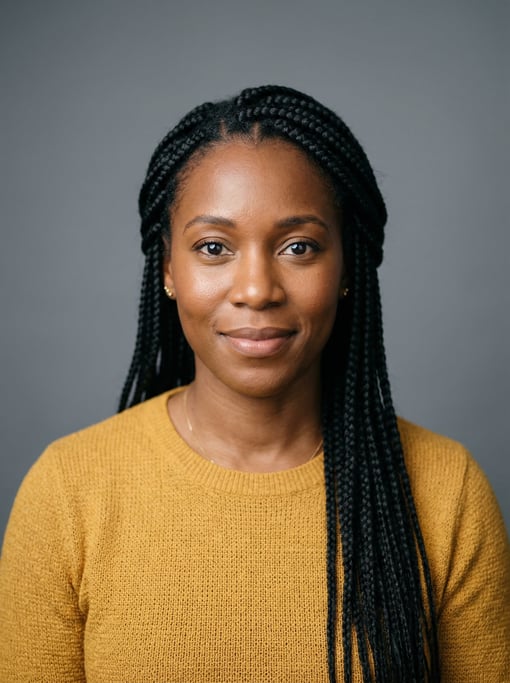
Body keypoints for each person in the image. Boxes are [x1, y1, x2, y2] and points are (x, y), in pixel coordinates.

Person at [0, 85, 508, 683]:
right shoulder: (67, 492)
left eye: (299, 246)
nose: (257, 288)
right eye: (213, 247)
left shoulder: (446, 493)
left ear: (346, 266)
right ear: (167, 267)